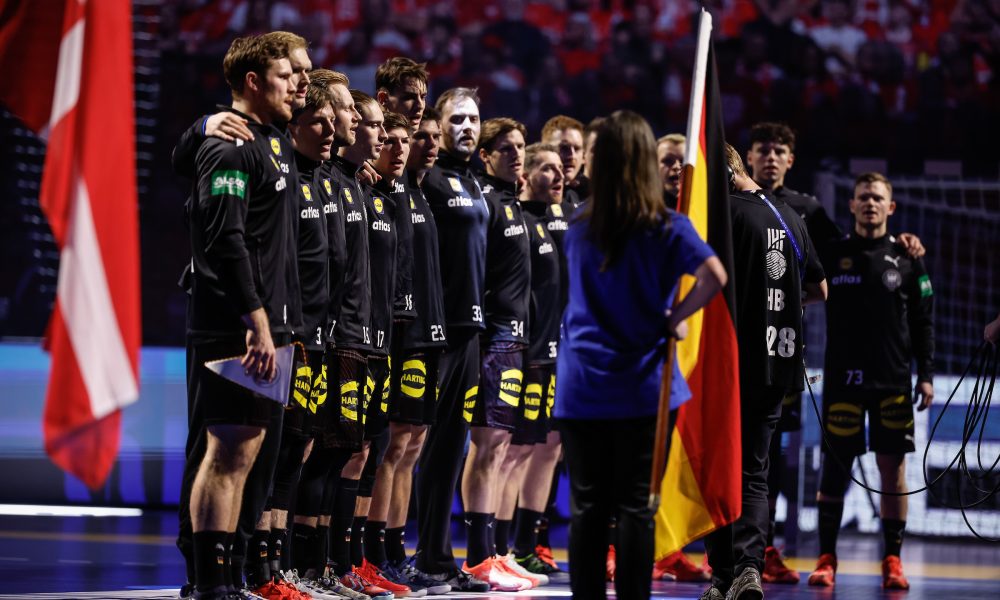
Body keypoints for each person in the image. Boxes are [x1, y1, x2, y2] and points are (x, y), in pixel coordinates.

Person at [554, 110, 727, 600]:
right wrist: (676, 318)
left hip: (582, 385)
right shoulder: (667, 227)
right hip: (644, 386)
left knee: (587, 505)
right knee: (636, 506)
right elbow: (715, 275)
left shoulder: (579, 225)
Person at [744, 122, 923, 584]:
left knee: (779, 451)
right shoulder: (731, 203)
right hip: (781, 358)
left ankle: (886, 558)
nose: (770, 157)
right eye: (762, 149)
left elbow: (824, 273)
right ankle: (770, 552)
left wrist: (927, 371)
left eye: (779, 150)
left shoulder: (808, 212)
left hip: (864, 373)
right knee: (805, 462)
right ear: (748, 157)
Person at [183, 35, 299, 600]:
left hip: (265, 322)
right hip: (234, 321)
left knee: (246, 449)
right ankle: (209, 583)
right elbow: (225, 239)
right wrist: (256, 318)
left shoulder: (271, 142)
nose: (298, 84)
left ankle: (225, 579)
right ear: (252, 81)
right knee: (225, 448)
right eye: (286, 74)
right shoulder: (229, 146)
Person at [701, 144, 827, 600]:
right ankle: (748, 570)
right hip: (780, 360)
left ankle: (721, 575)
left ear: (725, 172)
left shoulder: (723, 215)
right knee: (755, 471)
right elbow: (820, 288)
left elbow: (702, 281)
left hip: (732, 362)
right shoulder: (791, 215)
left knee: (720, 469)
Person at [808, 172, 935, 591]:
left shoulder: (908, 257)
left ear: (891, 207)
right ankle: (827, 559)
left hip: (893, 382)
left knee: (892, 471)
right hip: (843, 380)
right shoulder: (832, 252)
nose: (870, 204)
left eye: (877, 198)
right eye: (863, 197)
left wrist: (927, 376)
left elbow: (922, 321)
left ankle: (892, 560)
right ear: (852, 205)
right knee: (835, 468)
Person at [414, 87, 492, 593]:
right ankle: (415, 557)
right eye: (457, 118)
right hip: (436, 331)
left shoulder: (472, 181)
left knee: (451, 450)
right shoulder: (429, 180)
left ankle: (439, 559)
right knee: (418, 447)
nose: (467, 126)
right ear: (439, 126)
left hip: (471, 330)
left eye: (474, 119)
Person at [462, 117, 536, 591]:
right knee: (486, 445)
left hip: (517, 337)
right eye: (505, 148)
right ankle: (476, 556)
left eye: (520, 147)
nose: (516, 154)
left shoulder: (512, 202)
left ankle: (494, 552)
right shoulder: (485, 202)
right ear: (485, 155)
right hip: (492, 337)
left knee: (502, 446)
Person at [499, 142, 569, 584]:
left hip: (555, 354)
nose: (559, 176)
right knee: (512, 450)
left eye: (561, 169)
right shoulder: (518, 221)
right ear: (525, 176)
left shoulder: (556, 221)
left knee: (539, 449)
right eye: (547, 168)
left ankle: (520, 547)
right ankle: (499, 547)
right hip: (525, 352)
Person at [540, 115, 587, 208]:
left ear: (584, 157)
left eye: (577, 149)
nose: (572, 156)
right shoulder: (526, 195)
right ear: (544, 149)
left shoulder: (592, 196)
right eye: (564, 148)